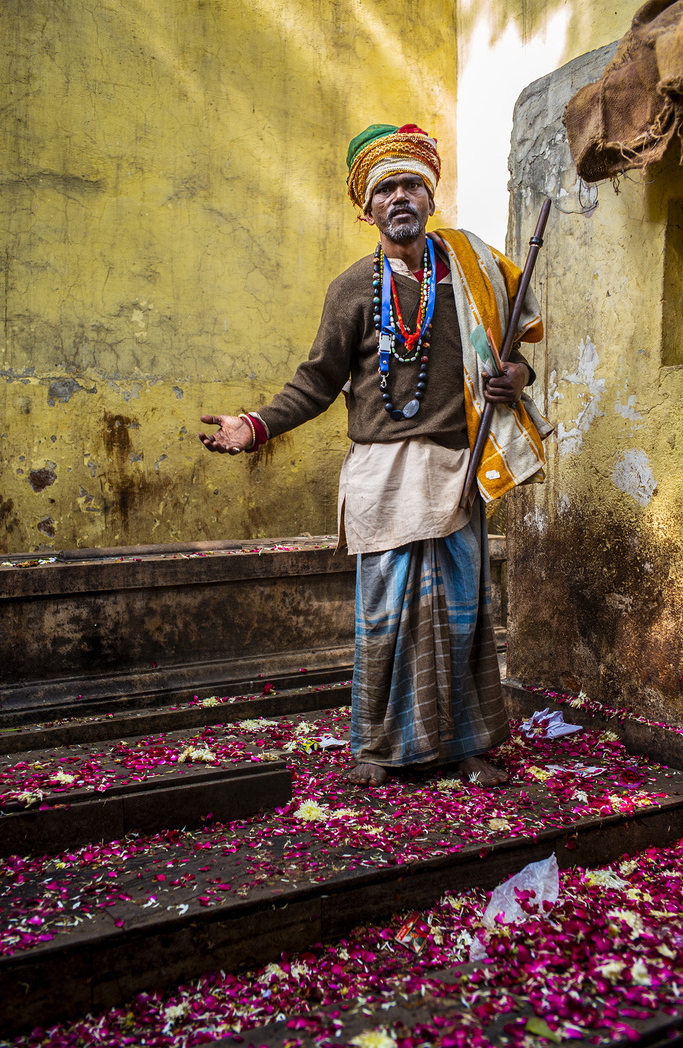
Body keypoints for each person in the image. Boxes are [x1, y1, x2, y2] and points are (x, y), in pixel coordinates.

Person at [199, 123, 552, 788]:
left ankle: (464, 747)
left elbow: (516, 359)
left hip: (456, 471)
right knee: (385, 621)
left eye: (412, 184)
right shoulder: (351, 289)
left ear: (430, 197)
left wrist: (517, 379)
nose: (401, 197)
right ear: (367, 207)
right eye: (386, 187)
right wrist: (255, 425)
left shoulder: (471, 273)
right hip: (382, 479)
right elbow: (315, 383)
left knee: (462, 619)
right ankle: (381, 749)